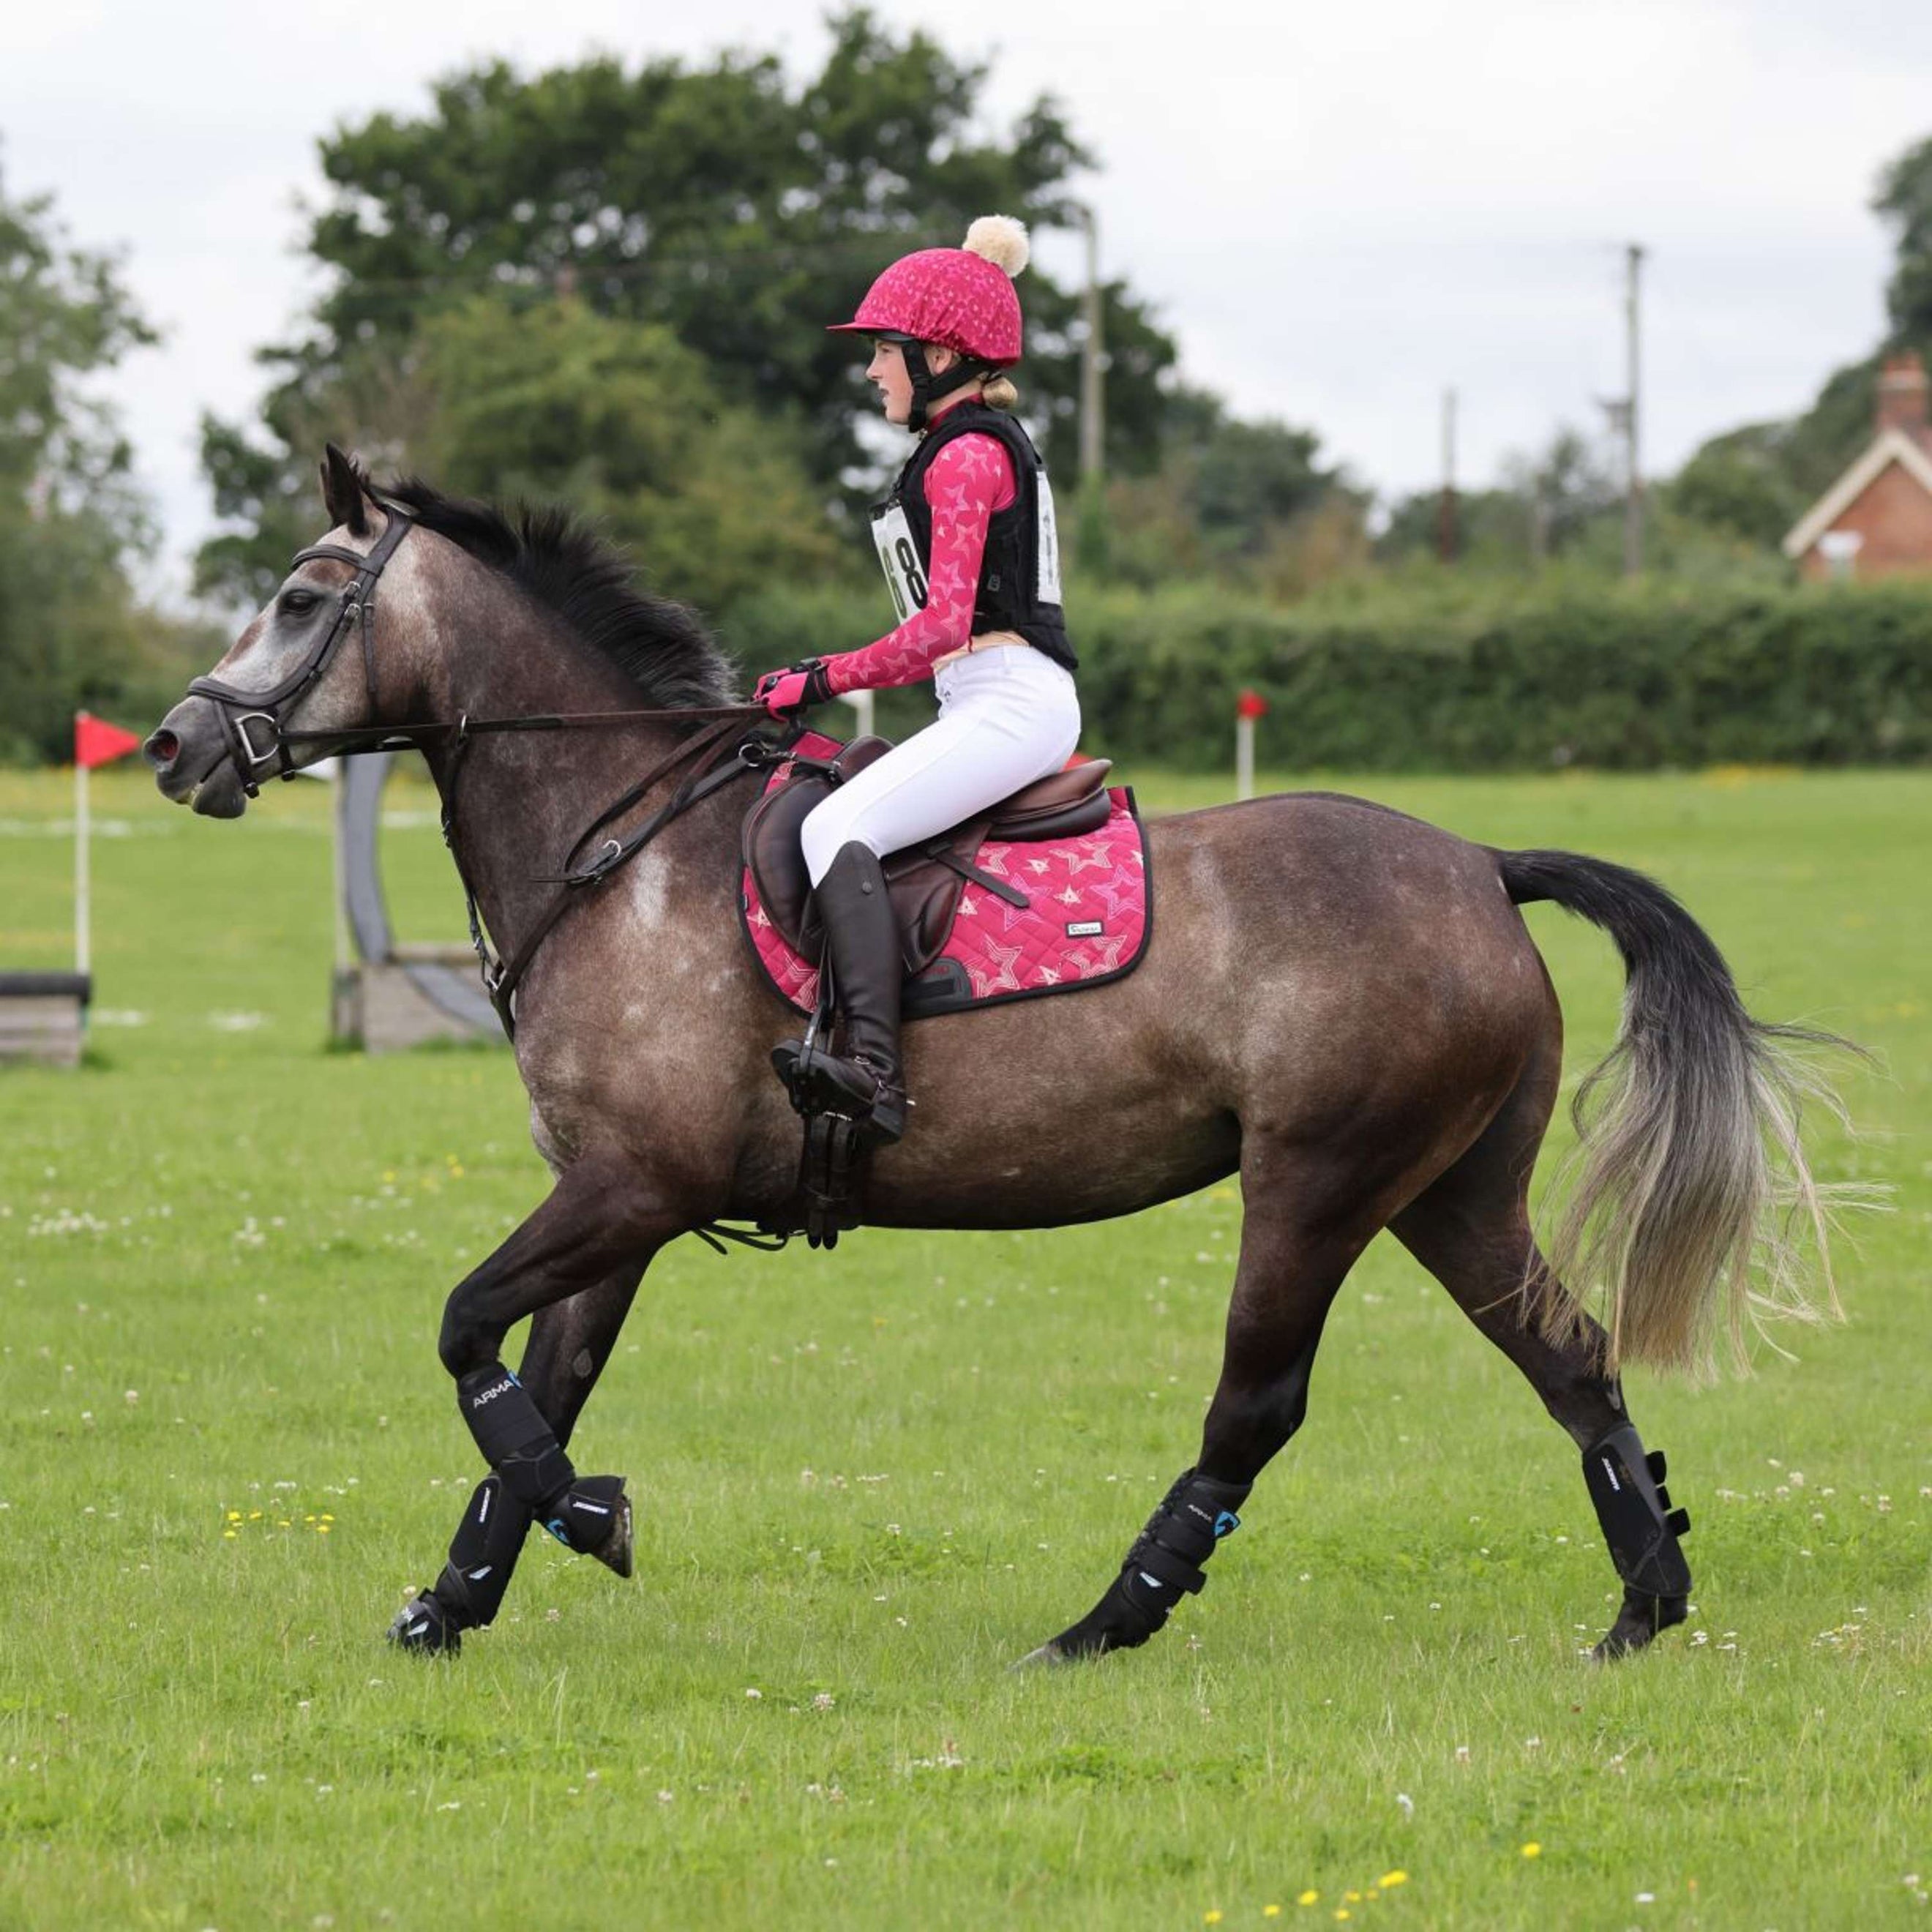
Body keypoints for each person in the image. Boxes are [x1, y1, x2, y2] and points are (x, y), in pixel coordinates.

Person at [754, 214, 1080, 1145]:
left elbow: (939, 627)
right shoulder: (961, 447)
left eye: (884, 352)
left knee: (837, 825)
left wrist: (820, 676)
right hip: (991, 694)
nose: (873, 372)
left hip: (1011, 699)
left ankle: (873, 1075)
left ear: (938, 352)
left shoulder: (971, 455)